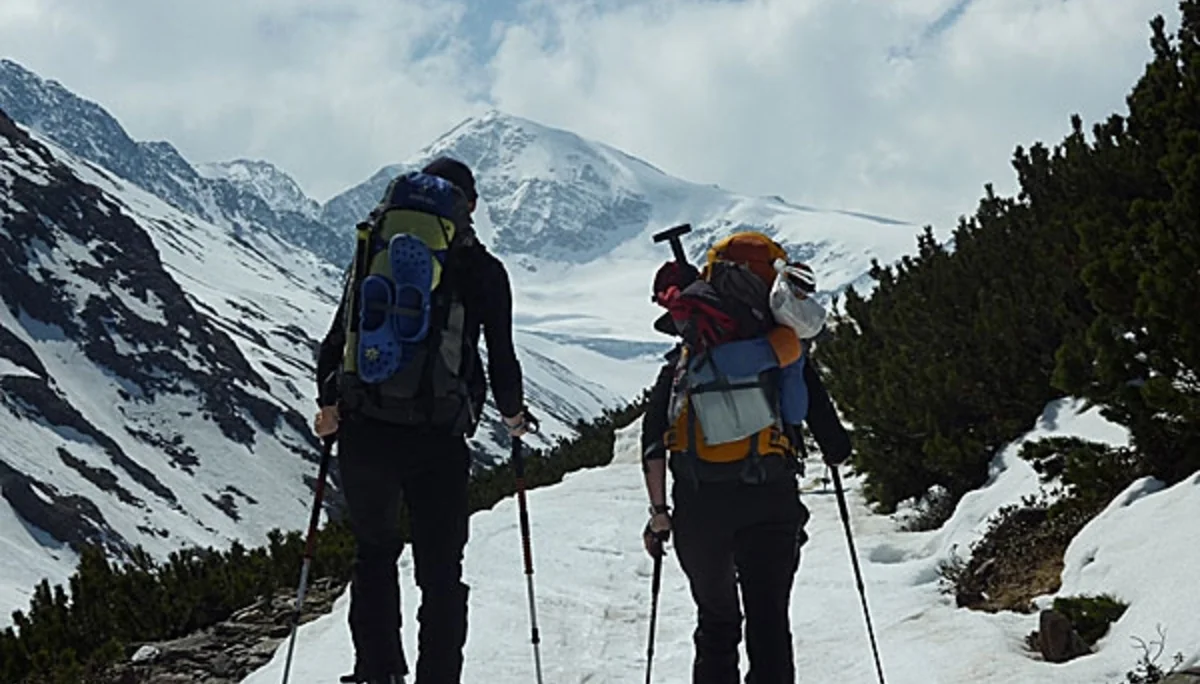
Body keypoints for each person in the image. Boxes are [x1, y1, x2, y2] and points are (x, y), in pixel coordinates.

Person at [312, 156, 532, 684]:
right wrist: (514, 415)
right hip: (438, 439)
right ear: (470, 205)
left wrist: (329, 402)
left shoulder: (376, 249)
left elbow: (338, 339)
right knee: (440, 573)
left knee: (374, 554)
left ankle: (376, 672)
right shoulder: (484, 270)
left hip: (365, 430)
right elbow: (501, 356)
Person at [639, 230, 848, 684]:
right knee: (770, 623)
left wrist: (659, 515)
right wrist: (833, 451)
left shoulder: (684, 360)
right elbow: (824, 429)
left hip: (700, 505)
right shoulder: (782, 348)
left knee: (716, 624)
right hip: (770, 498)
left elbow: (652, 442)